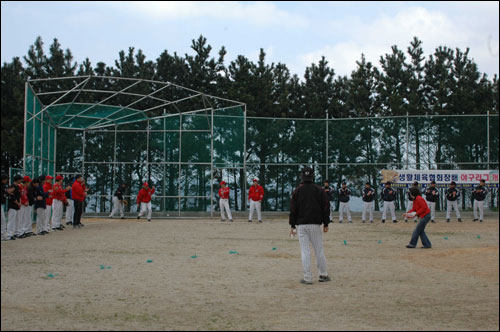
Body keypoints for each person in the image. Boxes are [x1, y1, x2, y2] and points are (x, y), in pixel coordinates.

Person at [289, 167, 331, 285]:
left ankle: (307, 277)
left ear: (302, 176)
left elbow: (293, 209)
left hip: (302, 225)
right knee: (319, 250)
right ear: (313, 176)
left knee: (305, 251)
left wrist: (292, 225)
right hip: (315, 225)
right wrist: (326, 223)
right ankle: (323, 274)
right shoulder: (319, 190)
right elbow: (326, 207)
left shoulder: (297, 191)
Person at [7, 175, 22, 240]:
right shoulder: (12, 186)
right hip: (12, 206)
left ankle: (16, 233)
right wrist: (18, 203)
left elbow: (19, 196)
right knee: (11, 220)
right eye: (20, 179)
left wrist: (20, 202)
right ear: (17, 180)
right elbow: (12, 197)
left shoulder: (18, 187)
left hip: (17, 206)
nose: (21, 180)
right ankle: (9, 234)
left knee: (17, 220)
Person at [1, 174, 15, 241]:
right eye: (6, 179)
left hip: (1, 204)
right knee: (3, 220)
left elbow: (5, 194)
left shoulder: (3, 186)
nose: (6, 180)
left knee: (3, 220)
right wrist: (7, 192)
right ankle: (2, 235)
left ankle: (3, 235)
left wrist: (8, 193)